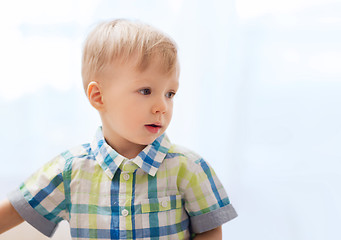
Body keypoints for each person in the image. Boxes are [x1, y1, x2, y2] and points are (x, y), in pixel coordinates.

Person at [0, 19, 237, 240]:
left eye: (170, 94)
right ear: (98, 96)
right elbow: (14, 210)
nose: (162, 107)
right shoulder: (70, 171)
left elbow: (210, 229)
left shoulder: (189, 168)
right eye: (146, 91)